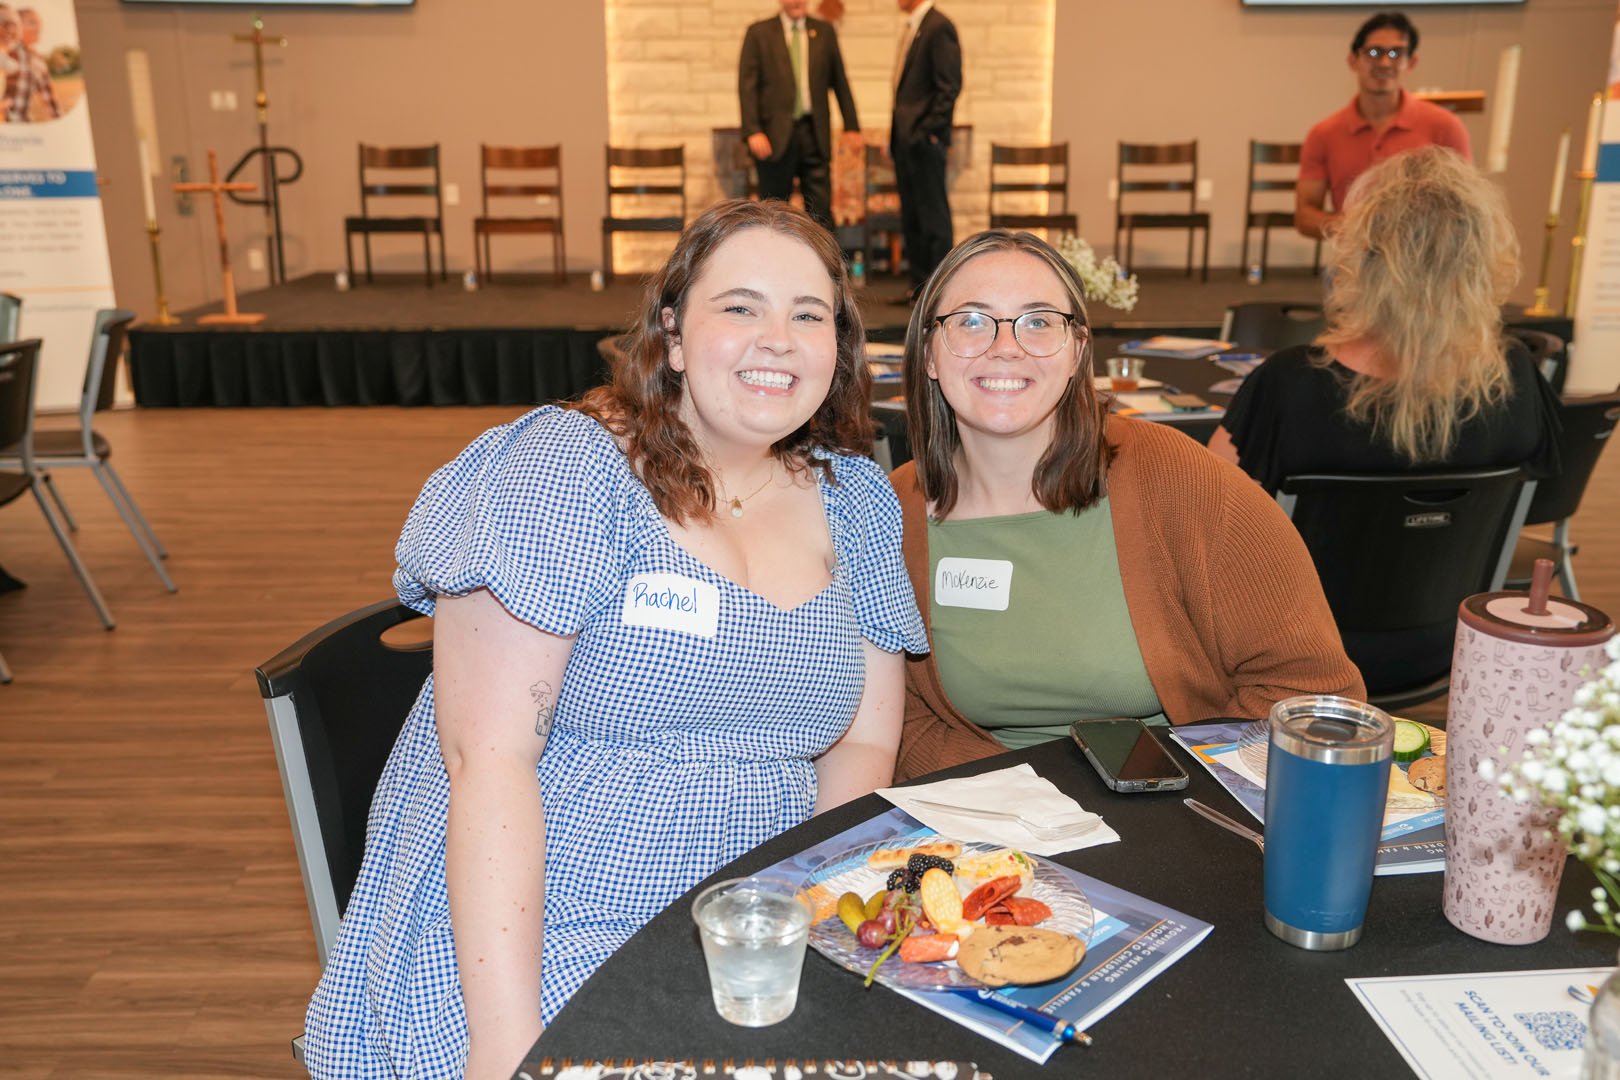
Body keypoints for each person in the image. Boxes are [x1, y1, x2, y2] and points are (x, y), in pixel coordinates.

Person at [303, 199, 927, 1080]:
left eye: (808, 314)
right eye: (740, 307)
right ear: (672, 333)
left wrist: (802, 914)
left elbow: (865, 737)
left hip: (754, 902)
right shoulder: (566, 471)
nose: (777, 339)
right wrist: (507, 1043)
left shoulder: (856, 502)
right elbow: (489, 764)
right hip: (542, 906)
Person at [889, 229, 1362, 783]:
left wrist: (1169, 801)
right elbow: (900, 718)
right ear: (928, 355)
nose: (1006, 346)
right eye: (971, 320)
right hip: (988, 824)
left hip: (1179, 804)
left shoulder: (1181, 482)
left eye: (1039, 320)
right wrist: (1028, 802)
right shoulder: (890, 514)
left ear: (1078, 352)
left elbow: (1312, 696)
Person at [1212, 147, 1559, 693]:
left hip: (1295, 656)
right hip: (1449, 644)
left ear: (1363, 257)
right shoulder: (1517, 377)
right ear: (1480, 260)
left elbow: (1203, 521)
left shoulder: (1290, 384)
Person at [1295, 11, 1470, 240]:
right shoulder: (1323, 134)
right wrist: (1356, 228)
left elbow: (1466, 210)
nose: (1385, 62)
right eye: (1374, 52)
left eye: (1396, 53)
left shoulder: (1446, 127)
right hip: (1353, 261)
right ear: (1353, 60)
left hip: (1425, 264)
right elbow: (1304, 216)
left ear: (1411, 62)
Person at [738, 0, 859, 231]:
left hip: (814, 134)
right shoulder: (759, 33)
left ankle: (824, 266)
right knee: (772, 212)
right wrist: (753, 130)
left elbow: (840, 82)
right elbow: (747, 87)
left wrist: (852, 125)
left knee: (821, 210)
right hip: (773, 139)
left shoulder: (824, 32)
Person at [890, 0, 961, 299]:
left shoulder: (938, 26)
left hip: (923, 140)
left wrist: (929, 132)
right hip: (906, 140)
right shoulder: (916, 27)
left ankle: (940, 293)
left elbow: (949, 86)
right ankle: (919, 290)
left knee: (933, 218)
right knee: (913, 218)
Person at [17, 8, 60, 122]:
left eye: (39, 23)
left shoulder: (38, 62)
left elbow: (51, 102)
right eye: (32, 23)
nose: (38, 28)